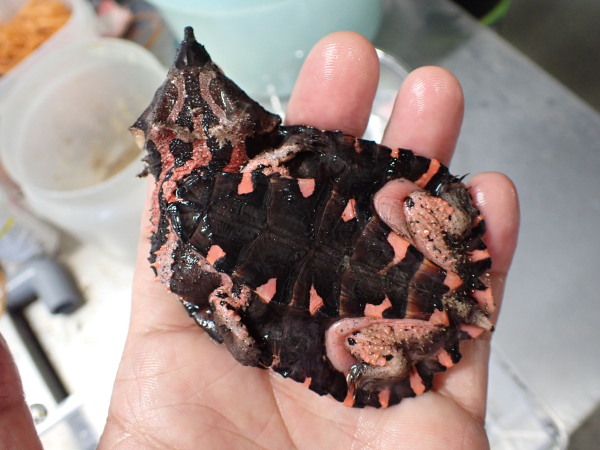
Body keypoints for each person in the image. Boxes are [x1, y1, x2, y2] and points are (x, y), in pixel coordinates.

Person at [0, 32, 519, 449]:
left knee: (349, 334)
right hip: (404, 260)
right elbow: (319, 161)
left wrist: (243, 330)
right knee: (401, 204)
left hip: (374, 315)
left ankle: (417, 330)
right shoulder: (252, 165)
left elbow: (243, 338)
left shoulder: (184, 247)